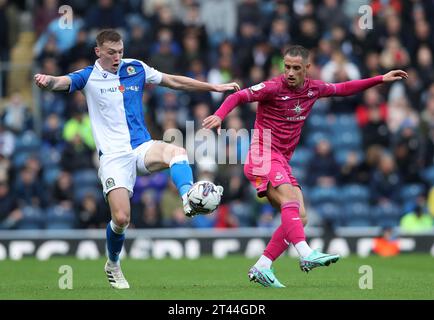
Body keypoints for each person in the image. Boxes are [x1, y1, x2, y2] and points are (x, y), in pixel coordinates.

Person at [34, 29, 239, 289]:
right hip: (113, 157)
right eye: (111, 52)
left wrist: (213, 87)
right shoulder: (88, 77)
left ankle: (188, 197)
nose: (118, 57)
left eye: (120, 51)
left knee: (177, 152)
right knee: (121, 219)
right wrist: (46, 80)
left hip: (141, 147)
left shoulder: (136, 68)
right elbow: (60, 82)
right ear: (98, 52)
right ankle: (113, 263)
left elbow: (172, 81)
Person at [203, 44, 408, 288]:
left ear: (307, 69)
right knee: (290, 196)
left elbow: (343, 88)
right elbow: (238, 95)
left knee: (300, 216)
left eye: (296, 68)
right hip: (262, 154)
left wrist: (380, 79)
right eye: (286, 67)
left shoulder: (314, 89)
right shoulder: (272, 87)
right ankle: (306, 253)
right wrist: (219, 114)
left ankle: (262, 266)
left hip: (280, 159)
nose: (289, 72)